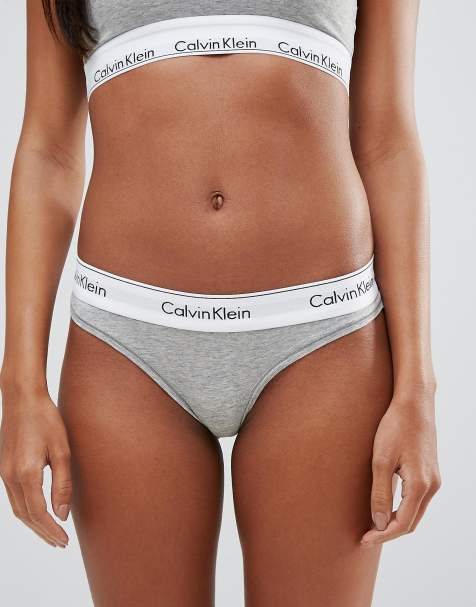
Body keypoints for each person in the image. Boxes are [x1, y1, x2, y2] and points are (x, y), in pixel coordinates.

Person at [0, 1, 441, 605]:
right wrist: (20, 388)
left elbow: (388, 141)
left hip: (323, 340)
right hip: (125, 346)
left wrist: (418, 391)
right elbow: (48, 151)